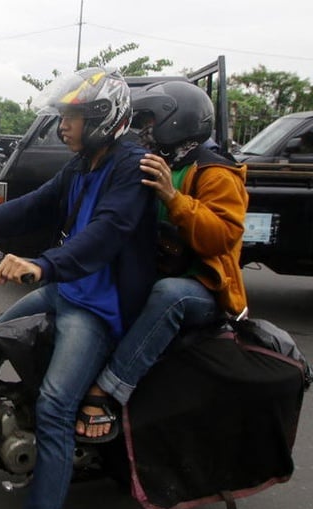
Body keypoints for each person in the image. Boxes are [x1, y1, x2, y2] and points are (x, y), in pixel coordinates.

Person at [0, 67, 157, 509]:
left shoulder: (131, 168)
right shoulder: (84, 163)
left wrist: (43, 266)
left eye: (72, 117)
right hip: (68, 287)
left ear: (102, 118)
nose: (63, 126)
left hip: (99, 306)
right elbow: (37, 203)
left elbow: (107, 233)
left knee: (55, 407)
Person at [76, 80, 250, 441]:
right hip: (158, 268)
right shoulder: (158, 162)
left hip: (203, 286)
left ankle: (109, 389)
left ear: (176, 120)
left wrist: (174, 198)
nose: (145, 130)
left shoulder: (215, 171)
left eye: (151, 122)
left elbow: (222, 236)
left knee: (171, 295)